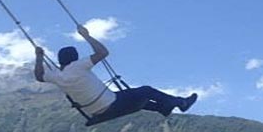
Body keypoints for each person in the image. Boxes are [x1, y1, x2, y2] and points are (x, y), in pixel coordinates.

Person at [34, 25, 197, 124]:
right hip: (113, 104)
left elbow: (39, 76)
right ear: (74, 58)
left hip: (97, 111)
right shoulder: (78, 66)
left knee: (130, 96)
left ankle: (163, 108)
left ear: (60, 60)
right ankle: (180, 103)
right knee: (146, 90)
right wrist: (86, 36)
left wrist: (39, 57)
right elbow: (103, 52)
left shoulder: (57, 76)